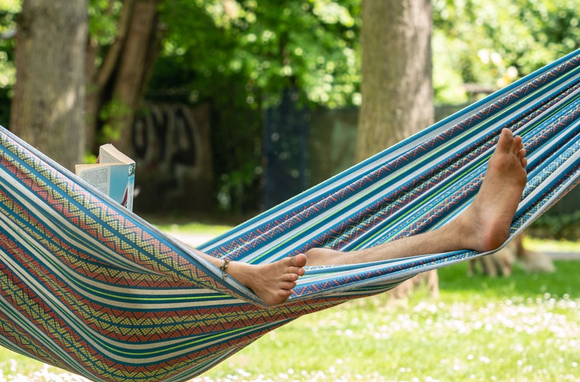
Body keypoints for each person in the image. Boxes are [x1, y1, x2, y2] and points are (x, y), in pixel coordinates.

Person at [204, 129, 529, 306]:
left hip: (172, 285)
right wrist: (236, 271)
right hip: (169, 288)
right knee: (315, 264)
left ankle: (464, 232)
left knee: (319, 262)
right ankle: (241, 272)